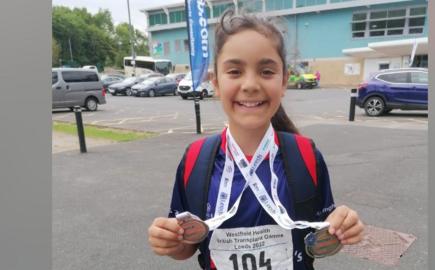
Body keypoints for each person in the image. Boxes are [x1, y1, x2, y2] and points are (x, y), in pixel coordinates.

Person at [148, 10, 363, 270]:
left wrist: (343, 227)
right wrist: (170, 242)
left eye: (266, 71)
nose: (250, 84)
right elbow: (188, 246)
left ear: (284, 81)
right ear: (215, 83)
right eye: (235, 71)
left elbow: (322, 237)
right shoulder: (195, 160)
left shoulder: (306, 156)